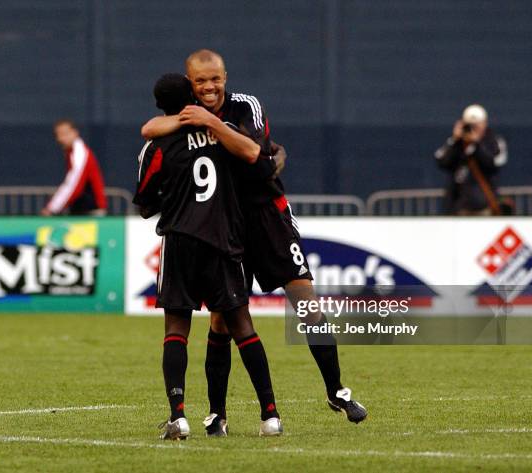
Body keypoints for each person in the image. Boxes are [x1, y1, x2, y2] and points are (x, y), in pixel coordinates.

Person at [142, 50, 367, 436]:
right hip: (224, 224)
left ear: (225, 77)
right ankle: (217, 413)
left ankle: (336, 390)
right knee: (223, 320)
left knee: (306, 304)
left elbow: (257, 153)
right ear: (190, 82)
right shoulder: (187, 114)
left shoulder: (246, 105)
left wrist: (218, 125)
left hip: (267, 217)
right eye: (201, 81)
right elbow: (151, 128)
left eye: (215, 79)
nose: (209, 87)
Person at [133, 73, 283, 440]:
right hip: (222, 240)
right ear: (192, 98)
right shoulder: (222, 132)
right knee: (243, 327)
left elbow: (145, 203)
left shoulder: (156, 145)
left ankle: (178, 416)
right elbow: (254, 160)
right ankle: (270, 416)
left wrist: (173, 195)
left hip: (181, 239)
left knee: (176, 329)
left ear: (159, 105)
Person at [435, 104, 508, 215]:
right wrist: (455, 140)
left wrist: (476, 144)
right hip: (458, 206)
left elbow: (494, 164)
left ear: (484, 124)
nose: (473, 129)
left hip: (484, 206)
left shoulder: (493, 142)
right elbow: (441, 161)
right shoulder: (457, 144)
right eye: (470, 125)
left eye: (476, 125)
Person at [42, 119, 108, 216]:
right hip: (81, 210)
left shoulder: (80, 153)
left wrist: (52, 208)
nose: (60, 138)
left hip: (91, 212)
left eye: (64, 134)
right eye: (57, 135)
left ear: (75, 133)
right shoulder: (71, 153)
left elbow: (73, 185)